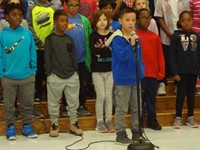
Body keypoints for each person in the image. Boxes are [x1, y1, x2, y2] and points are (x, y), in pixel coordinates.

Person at [106, 7, 148, 145]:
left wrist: (141, 70)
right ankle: (120, 133)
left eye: (133, 20)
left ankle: (136, 131)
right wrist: (130, 45)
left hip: (135, 77)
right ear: (120, 21)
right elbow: (122, 57)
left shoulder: (136, 36)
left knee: (137, 107)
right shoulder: (116, 38)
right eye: (127, 20)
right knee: (122, 108)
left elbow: (139, 57)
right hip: (123, 79)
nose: (131, 23)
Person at [0, 0, 44, 119]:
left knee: (28, 104)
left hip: (27, 76)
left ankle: (27, 125)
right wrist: (2, 74)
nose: (18, 17)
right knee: (9, 106)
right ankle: (10, 126)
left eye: (20, 14)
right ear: (7, 17)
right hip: (8, 77)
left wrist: (33, 71)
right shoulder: (2, 35)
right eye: (14, 15)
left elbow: (32, 53)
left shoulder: (27, 34)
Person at [44, 9, 82, 137]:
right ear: (55, 22)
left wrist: (75, 72)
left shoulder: (69, 40)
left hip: (71, 75)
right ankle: (54, 124)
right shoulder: (49, 39)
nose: (65, 23)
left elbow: (73, 57)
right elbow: (47, 58)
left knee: (73, 102)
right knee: (54, 103)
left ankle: (74, 124)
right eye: (61, 21)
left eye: (66, 21)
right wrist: (49, 74)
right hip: (55, 76)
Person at [169, 11, 200, 129]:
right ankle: (178, 117)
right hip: (180, 72)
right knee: (181, 94)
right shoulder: (175, 36)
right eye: (183, 20)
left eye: (188, 20)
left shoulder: (197, 36)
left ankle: (191, 117)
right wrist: (175, 72)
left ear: (192, 21)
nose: (186, 22)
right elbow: (172, 55)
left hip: (192, 71)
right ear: (180, 22)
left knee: (191, 95)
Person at [135, 8, 165, 130]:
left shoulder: (155, 37)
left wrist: (161, 71)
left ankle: (152, 120)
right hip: (139, 74)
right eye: (143, 17)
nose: (146, 20)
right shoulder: (134, 35)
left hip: (152, 74)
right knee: (140, 100)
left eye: (148, 18)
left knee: (151, 99)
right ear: (137, 20)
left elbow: (160, 55)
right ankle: (139, 121)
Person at [154, 0, 190, 96]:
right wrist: (168, 33)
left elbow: (187, 17)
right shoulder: (160, 1)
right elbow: (159, 18)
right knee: (166, 59)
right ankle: (162, 83)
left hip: (181, 33)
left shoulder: (185, 1)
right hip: (167, 34)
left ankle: (178, 84)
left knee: (180, 60)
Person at [64, 0, 92, 116]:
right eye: (71, 5)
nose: (74, 8)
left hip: (81, 58)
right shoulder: (63, 19)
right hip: (66, 59)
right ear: (66, 6)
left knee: (81, 83)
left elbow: (89, 39)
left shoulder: (84, 20)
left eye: (76, 5)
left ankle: (80, 105)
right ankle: (66, 107)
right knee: (67, 84)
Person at [89, 10, 114, 133]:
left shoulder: (111, 35)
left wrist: (101, 50)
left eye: (104, 19)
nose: (102, 22)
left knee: (109, 96)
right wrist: (106, 49)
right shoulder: (92, 36)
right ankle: (99, 121)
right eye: (99, 20)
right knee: (101, 96)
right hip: (97, 71)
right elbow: (94, 52)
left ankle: (108, 120)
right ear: (95, 22)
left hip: (110, 70)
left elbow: (112, 51)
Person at [26, 0, 56, 103]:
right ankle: (38, 94)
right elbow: (29, 26)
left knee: (49, 72)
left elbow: (55, 26)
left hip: (50, 48)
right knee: (37, 72)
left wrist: (48, 42)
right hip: (36, 48)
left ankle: (49, 95)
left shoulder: (53, 8)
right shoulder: (32, 8)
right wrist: (38, 42)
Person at [190, 0, 200, 94]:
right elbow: (190, 15)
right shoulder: (192, 1)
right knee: (195, 59)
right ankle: (196, 85)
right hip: (195, 33)